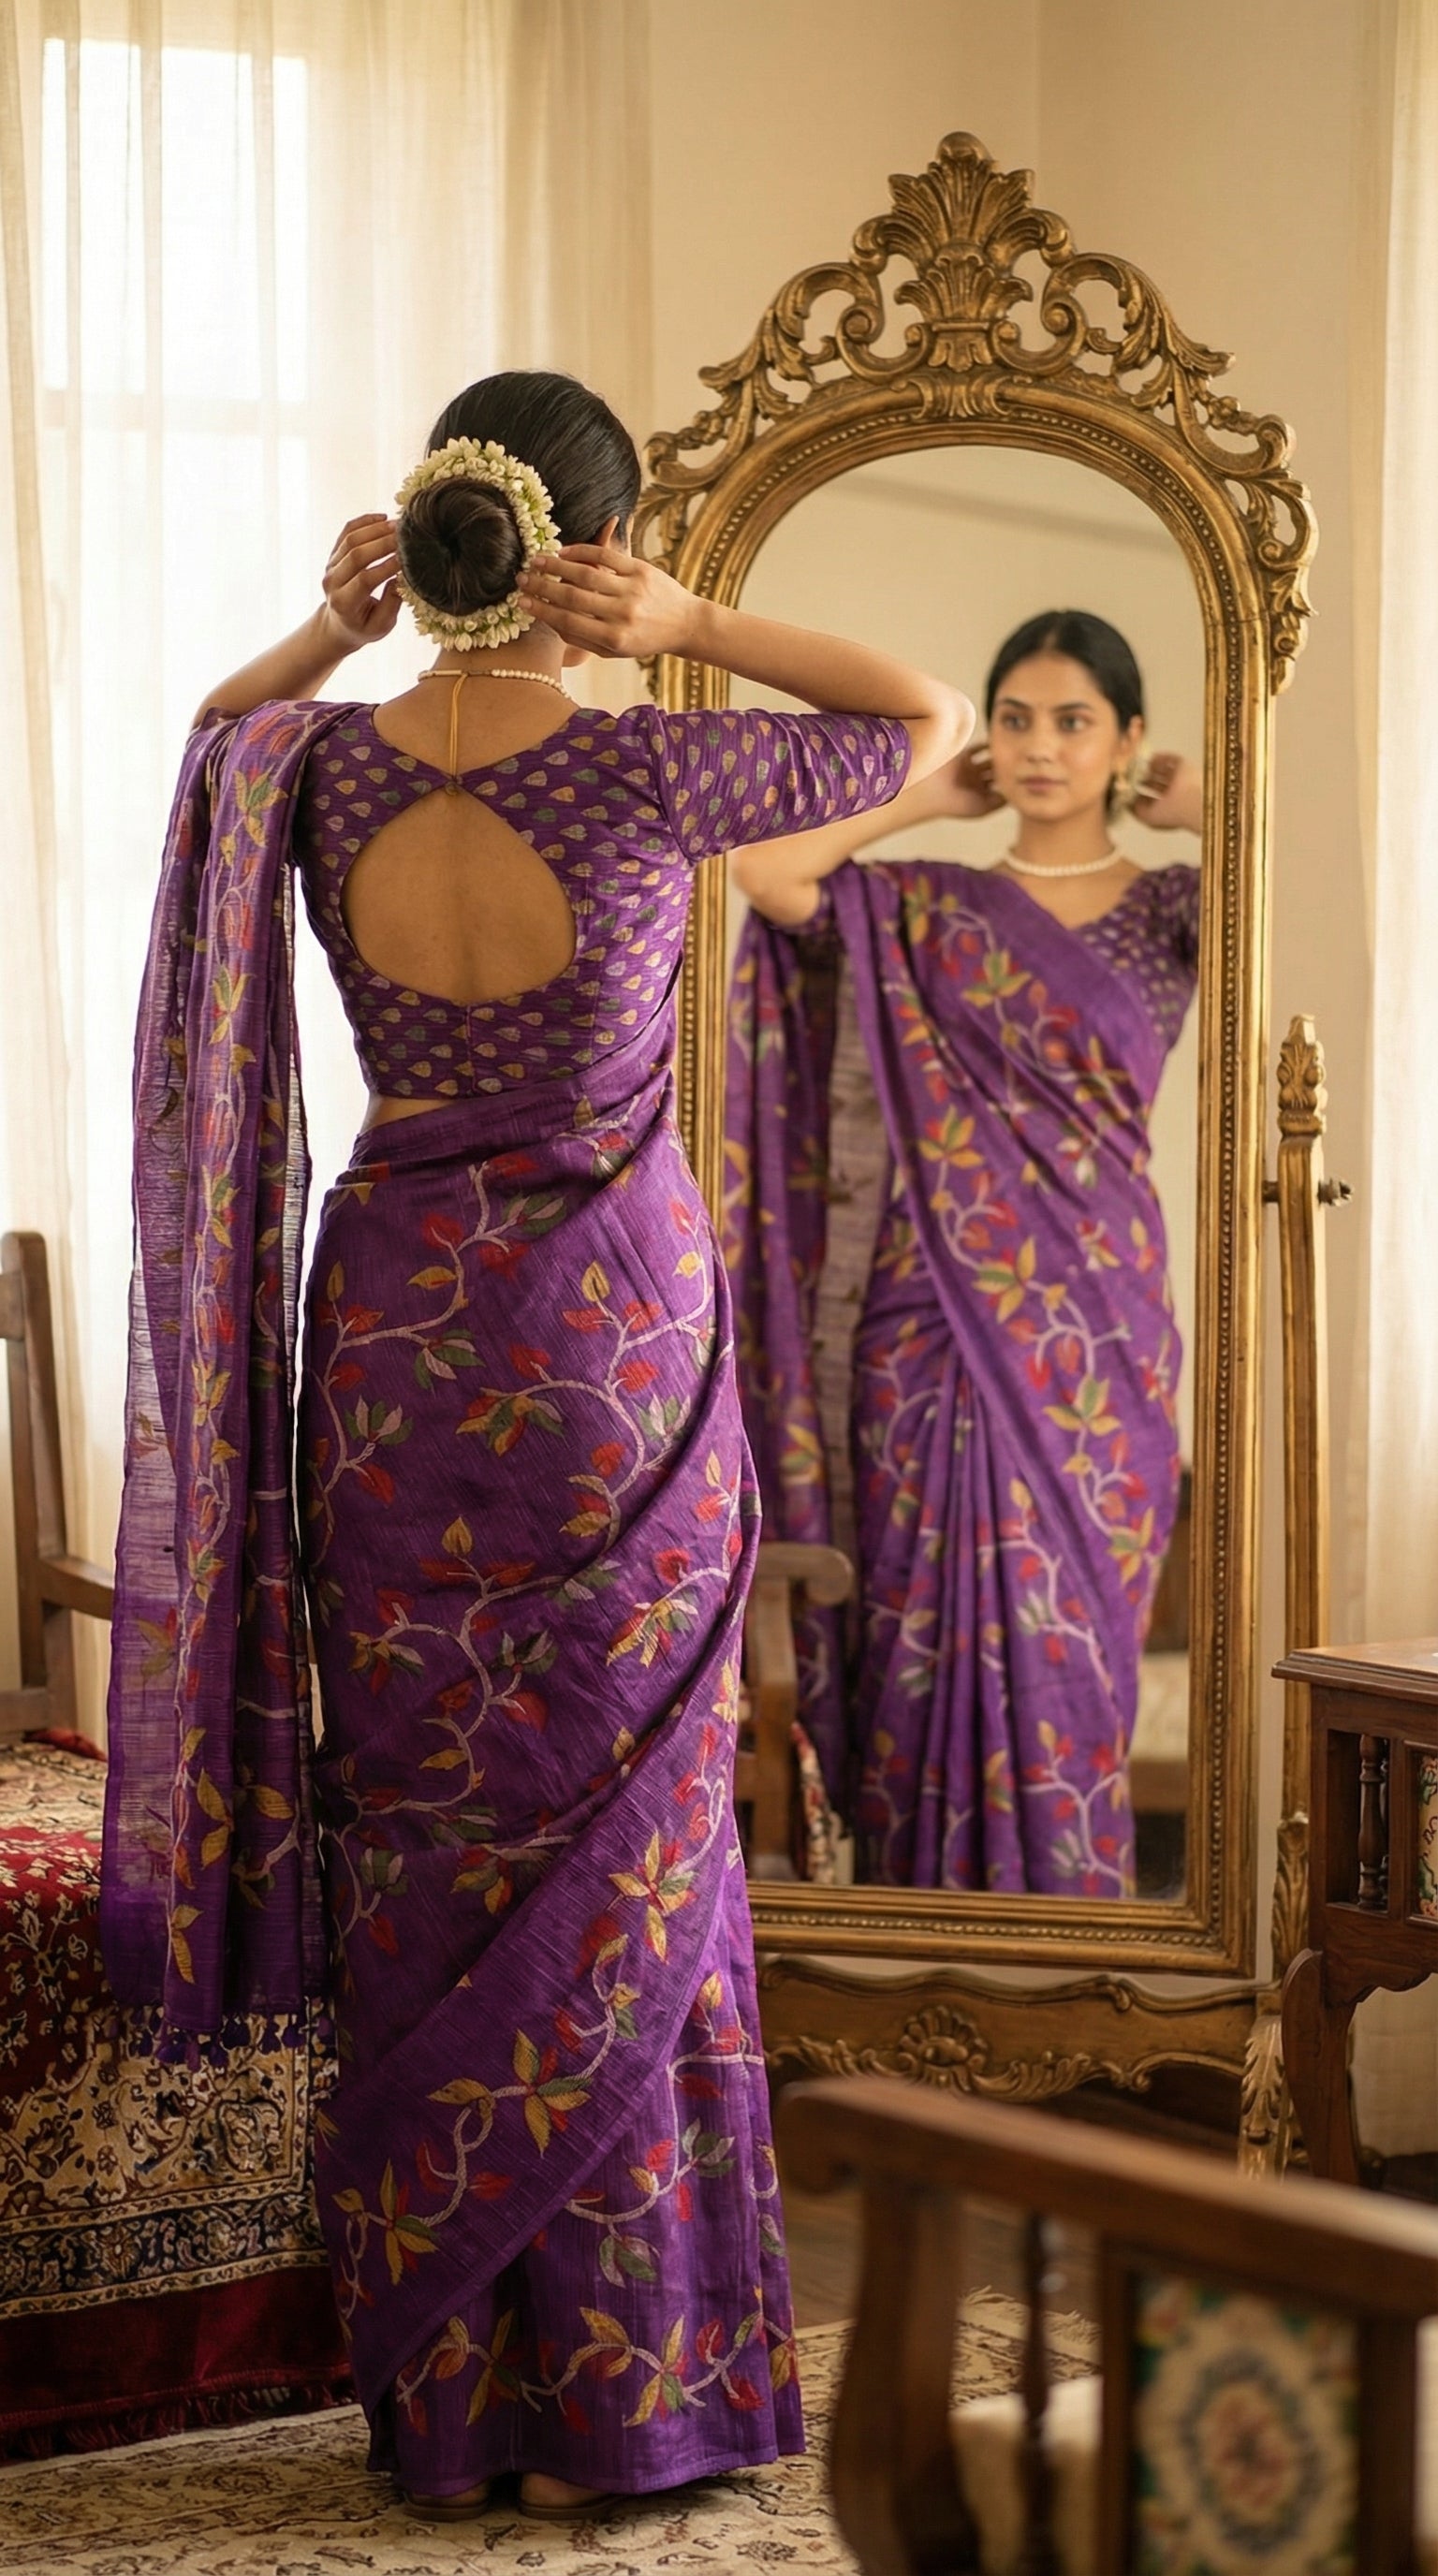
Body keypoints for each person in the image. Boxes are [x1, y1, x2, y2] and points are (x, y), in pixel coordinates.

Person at [99, 370, 972, 2519]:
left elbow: (211, 742)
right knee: (637, 1840)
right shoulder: (654, 763)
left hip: (395, 1343)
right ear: (599, 538)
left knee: (430, 1844)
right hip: (607, 1351)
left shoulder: (308, 765)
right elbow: (925, 711)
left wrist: (331, 626)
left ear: (427, 534)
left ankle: (455, 2403)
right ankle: (635, 2389)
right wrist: (693, 626)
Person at [725, 609, 1202, 1897]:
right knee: (920, 1646)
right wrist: (925, 790)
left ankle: (1065, 1961)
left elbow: (1299, 874)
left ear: (1129, 741)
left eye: (1076, 721)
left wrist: (1203, 804)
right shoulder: (929, 904)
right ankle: (916, 1958)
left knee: (1076, 1653)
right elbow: (765, 874)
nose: (1043, 748)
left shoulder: (1178, 911)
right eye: (1019, 718)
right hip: (926, 1330)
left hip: (1100, 1345)